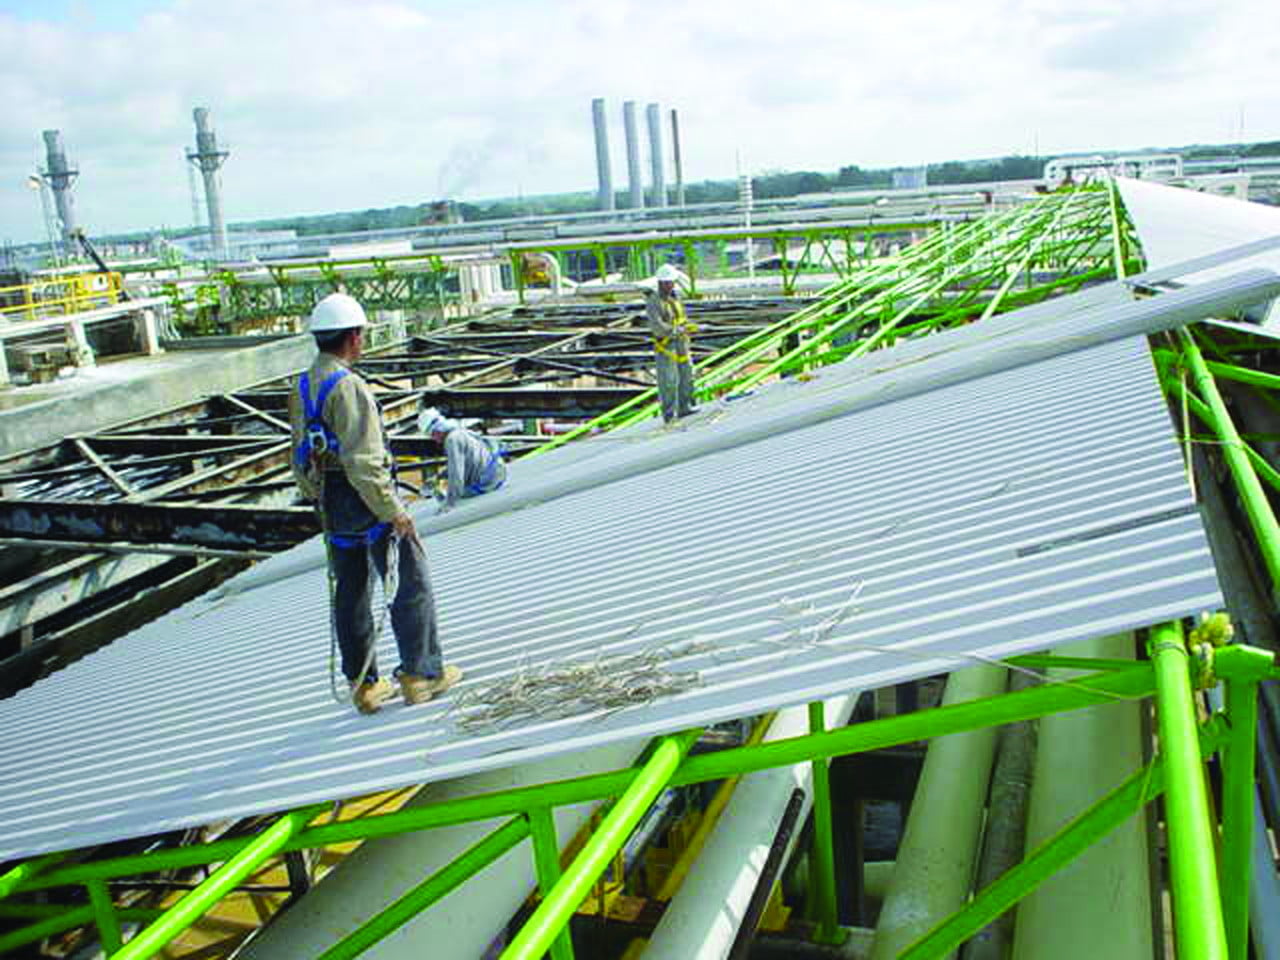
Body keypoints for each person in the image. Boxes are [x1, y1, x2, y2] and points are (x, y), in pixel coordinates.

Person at [289, 292, 462, 714]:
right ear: (351, 337)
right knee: (409, 580)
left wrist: (318, 497)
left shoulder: (304, 384)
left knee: (350, 590)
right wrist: (395, 512)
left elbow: (299, 453)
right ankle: (421, 674)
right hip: (362, 497)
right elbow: (364, 462)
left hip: (331, 500)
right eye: (361, 335)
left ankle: (364, 685)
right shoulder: (349, 387)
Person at [419, 408, 507, 509]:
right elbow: (460, 464)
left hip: (487, 483)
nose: (435, 440)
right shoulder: (459, 431)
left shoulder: (452, 440)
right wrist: (440, 476)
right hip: (496, 474)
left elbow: (456, 475)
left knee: (446, 494)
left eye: (432, 435)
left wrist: (448, 503)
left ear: (437, 430)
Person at [642, 263, 697, 422]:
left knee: (687, 375)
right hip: (667, 346)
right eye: (669, 282)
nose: (672, 285)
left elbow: (680, 318)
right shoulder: (654, 301)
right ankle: (669, 414)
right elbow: (658, 327)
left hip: (682, 344)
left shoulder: (675, 297)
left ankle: (684, 408)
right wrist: (676, 331)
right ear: (661, 283)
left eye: (673, 282)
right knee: (668, 382)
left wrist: (687, 327)